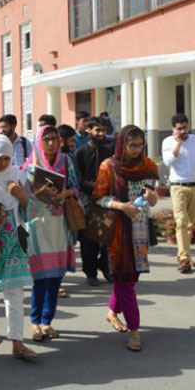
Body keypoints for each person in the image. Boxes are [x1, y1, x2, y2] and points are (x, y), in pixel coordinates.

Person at [93, 125, 158, 352]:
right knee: (125, 280)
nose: (137, 149)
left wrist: (152, 197)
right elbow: (99, 198)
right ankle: (135, 331)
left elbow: (152, 196)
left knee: (130, 278)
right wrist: (121, 206)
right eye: (132, 145)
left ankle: (112, 312)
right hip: (117, 231)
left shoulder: (147, 165)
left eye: (140, 145)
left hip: (140, 229)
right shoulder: (108, 166)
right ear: (122, 144)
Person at [0, 135, 36, 360]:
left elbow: (33, 212)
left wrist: (22, 198)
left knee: (14, 292)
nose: (3, 163)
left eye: (6, 158)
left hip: (16, 240)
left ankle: (17, 342)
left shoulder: (19, 176)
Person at [22, 125, 78, 342]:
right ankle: (35, 322)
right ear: (39, 141)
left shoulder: (66, 161)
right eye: (46, 139)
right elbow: (22, 195)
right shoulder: (29, 165)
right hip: (38, 226)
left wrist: (66, 193)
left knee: (55, 278)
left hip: (59, 226)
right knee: (40, 278)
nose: (52, 143)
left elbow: (76, 187)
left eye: (55, 139)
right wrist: (38, 192)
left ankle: (47, 321)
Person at [161, 113, 195, 274]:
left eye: (185, 127)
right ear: (173, 129)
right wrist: (178, 144)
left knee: (189, 224)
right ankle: (184, 258)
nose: (183, 131)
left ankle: (184, 255)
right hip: (178, 187)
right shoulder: (168, 142)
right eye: (179, 128)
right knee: (181, 221)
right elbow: (168, 162)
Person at [73, 117, 113, 286]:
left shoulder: (109, 152)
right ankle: (90, 273)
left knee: (107, 237)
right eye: (98, 130)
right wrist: (96, 185)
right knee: (88, 239)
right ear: (89, 130)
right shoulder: (80, 153)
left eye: (104, 130)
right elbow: (78, 179)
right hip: (88, 199)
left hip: (107, 199)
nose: (102, 134)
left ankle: (105, 267)